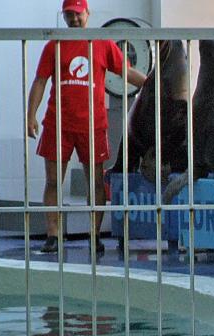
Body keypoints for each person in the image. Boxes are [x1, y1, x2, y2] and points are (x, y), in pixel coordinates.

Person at [26, 0, 146, 255]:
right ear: (64, 16)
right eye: (69, 15)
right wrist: (31, 116)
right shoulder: (54, 46)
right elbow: (40, 81)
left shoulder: (102, 44)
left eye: (78, 14)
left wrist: (154, 86)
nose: (74, 20)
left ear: (87, 14)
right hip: (58, 123)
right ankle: (53, 235)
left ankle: (94, 235)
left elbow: (127, 71)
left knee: (95, 183)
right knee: (53, 180)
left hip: (92, 126)